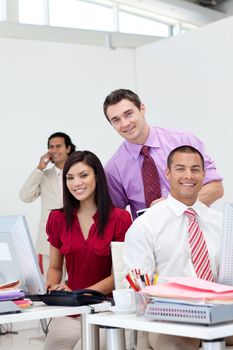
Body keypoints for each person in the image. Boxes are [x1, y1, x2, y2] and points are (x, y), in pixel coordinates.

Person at [123, 145, 232, 350]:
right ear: (168, 173)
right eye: (180, 169)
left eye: (195, 169)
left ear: (203, 174)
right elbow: (137, 288)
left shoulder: (221, 222)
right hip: (170, 322)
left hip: (220, 315)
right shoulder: (146, 225)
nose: (188, 175)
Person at [43, 150, 132, 350]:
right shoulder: (58, 218)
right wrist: (53, 287)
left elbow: (117, 276)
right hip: (70, 311)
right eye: (70, 178)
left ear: (97, 178)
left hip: (107, 310)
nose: (76, 183)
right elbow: (56, 267)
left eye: (83, 175)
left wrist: (80, 293)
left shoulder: (119, 219)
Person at [103, 89, 223, 220]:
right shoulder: (113, 169)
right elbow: (115, 217)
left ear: (142, 109)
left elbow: (215, 188)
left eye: (128, 114)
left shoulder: (183, 141)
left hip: (195, 230)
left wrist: (170, 209)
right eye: (116, 120)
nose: (125, 123)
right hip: (150, 237)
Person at [19, 132, 76, 275]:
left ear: (68, 148)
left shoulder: (78, 172)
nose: (54, 150)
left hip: (75, 234)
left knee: (75, 283)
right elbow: (25, 196)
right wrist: (39, 168)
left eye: (58, 146)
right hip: (48, 239)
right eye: (51, 147)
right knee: (51, 285)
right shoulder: (43, 176)